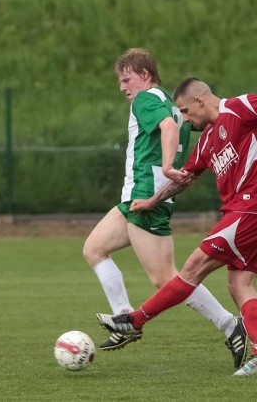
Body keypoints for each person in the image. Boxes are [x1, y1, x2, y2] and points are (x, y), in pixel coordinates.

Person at [96, 76, 257, 375]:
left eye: (187, 112)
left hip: (251, 207)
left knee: (192, 267)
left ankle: (134, 320)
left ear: (200, 102)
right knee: (240, 284)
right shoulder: (206, 141)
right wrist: (153, 200)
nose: (186, 121)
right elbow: (185, 178)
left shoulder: (240, 107)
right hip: (256, 214)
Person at [83, 49, 247, 370]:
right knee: (94, 249)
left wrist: (170, 166)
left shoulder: (145, 101)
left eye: (126, 79)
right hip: (137, 198)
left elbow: (168, 130)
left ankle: (230, 325)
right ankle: (124, 318)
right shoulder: (176, 107)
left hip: (146, 197)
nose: (122, 86)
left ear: (145, 75)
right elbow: (193, 123)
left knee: (167, 279)